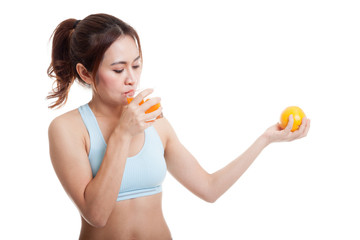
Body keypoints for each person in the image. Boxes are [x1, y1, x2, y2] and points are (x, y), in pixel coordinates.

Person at [47, 13, 310, 240]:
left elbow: (209, 188)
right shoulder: (67, 129)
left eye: (136, 65)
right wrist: (123, 133)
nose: (132, 79)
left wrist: (264, 140)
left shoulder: (156, 123)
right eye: (118, 70)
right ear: (85, 73)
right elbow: (97, 215)